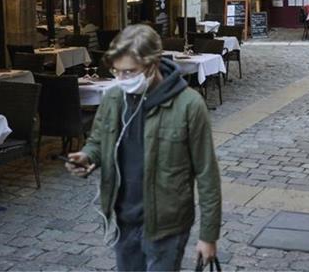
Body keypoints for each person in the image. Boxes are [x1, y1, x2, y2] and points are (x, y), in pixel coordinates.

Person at [65, 24, 221, 271]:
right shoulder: (114, 98)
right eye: (117, 72)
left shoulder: (189, 105)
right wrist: (86, 157)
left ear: (153, 64)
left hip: (167, 226)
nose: (122, 79)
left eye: (129, 72)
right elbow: (98, 141)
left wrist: (208, 235)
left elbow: (207, 173)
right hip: (123, 219)